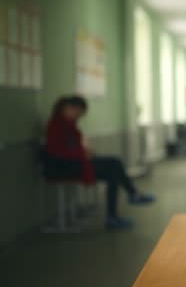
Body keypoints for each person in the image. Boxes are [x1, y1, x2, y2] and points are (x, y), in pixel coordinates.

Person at [44, 95, 156, 229]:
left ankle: (118, 210)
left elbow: (72, 146)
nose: (79, 116)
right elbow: (57, 152)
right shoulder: (56, 126)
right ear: (67, 108)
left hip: (76, 162)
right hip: (66, 167)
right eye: (77, 112)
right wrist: (83, 154)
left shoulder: (68, 125)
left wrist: (84, 152)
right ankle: (127, 200)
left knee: (114, 168)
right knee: (113, 166)